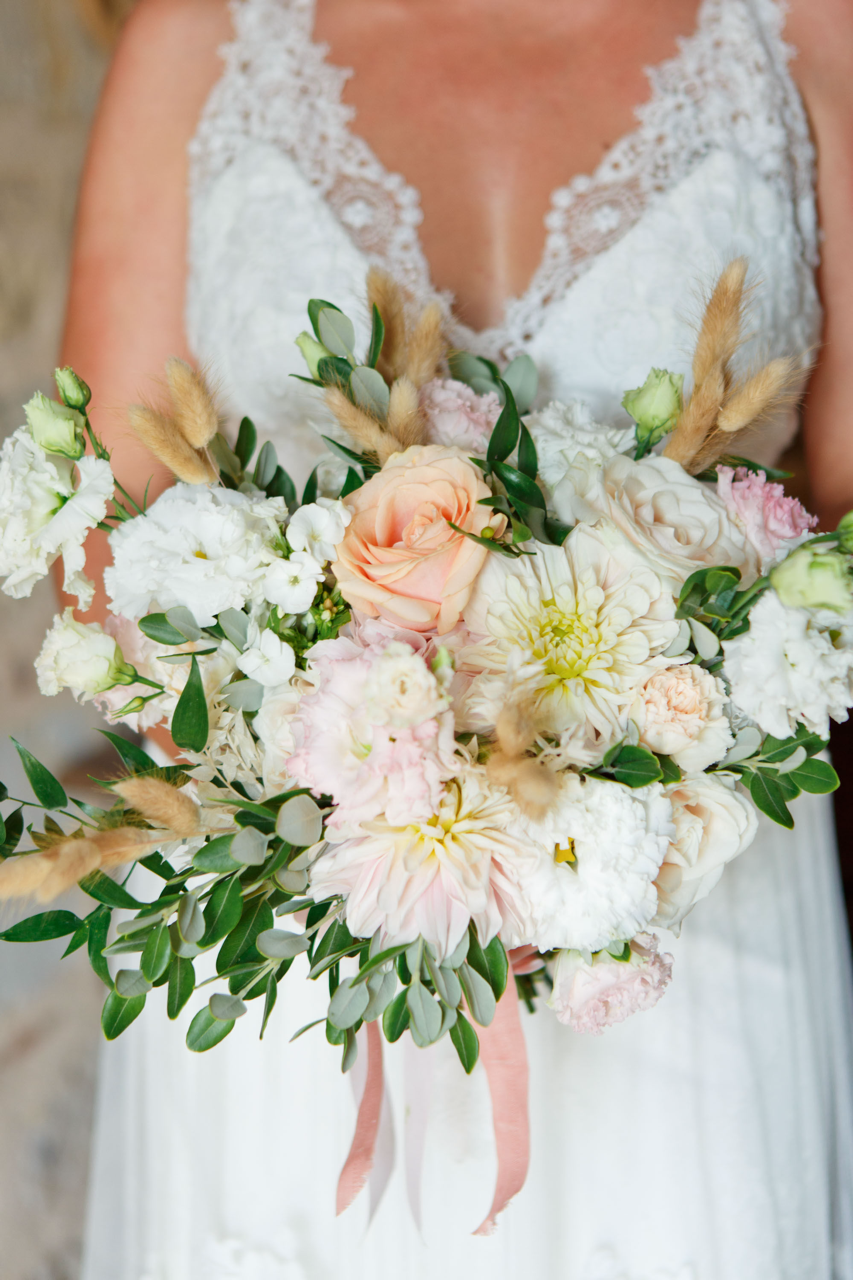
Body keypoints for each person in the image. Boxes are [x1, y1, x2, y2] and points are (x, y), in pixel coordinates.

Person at [64, 1, 853, 1276]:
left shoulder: (805, 31)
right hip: (304, 950)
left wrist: (608, 781)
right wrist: (373, 795)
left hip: (689, 927)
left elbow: (845, 546)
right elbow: (109, 546)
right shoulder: (200, 34)